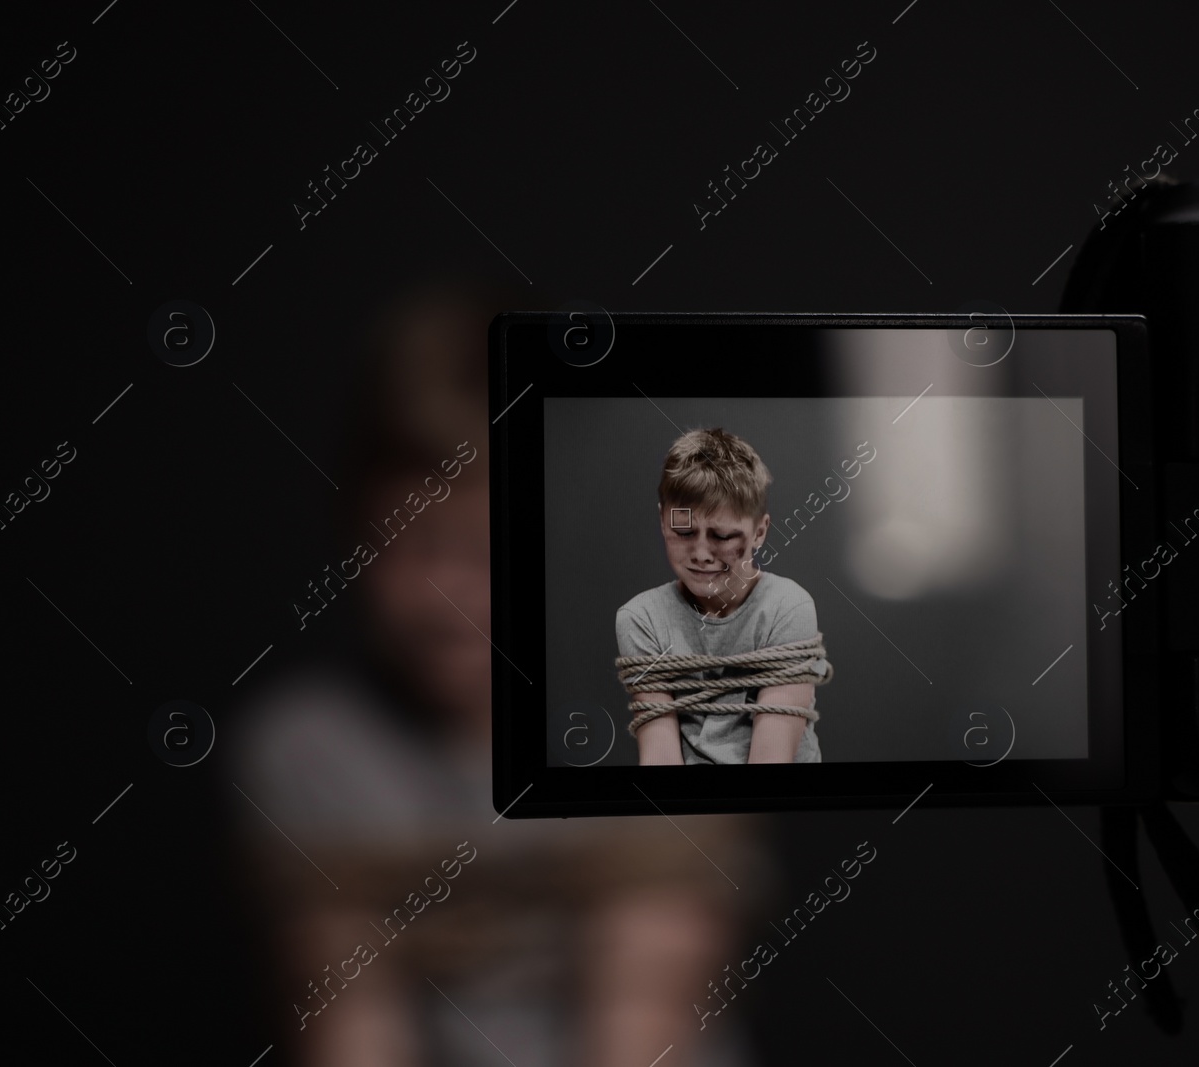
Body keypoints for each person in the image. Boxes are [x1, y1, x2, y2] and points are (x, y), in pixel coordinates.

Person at [230, 284, 771, 1067]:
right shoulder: (305, 747)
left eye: (487, 552)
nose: (444, 596)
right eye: (409, 546)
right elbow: (353, 1029)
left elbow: (641, 1023)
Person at [617, 428, 829, 766]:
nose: (701, 553)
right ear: (662, 519)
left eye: (724, 536)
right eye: (683, 531)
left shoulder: (787, 607)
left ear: (759, 532)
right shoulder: (642, 617)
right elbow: (660, 764)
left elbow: (771, 767)